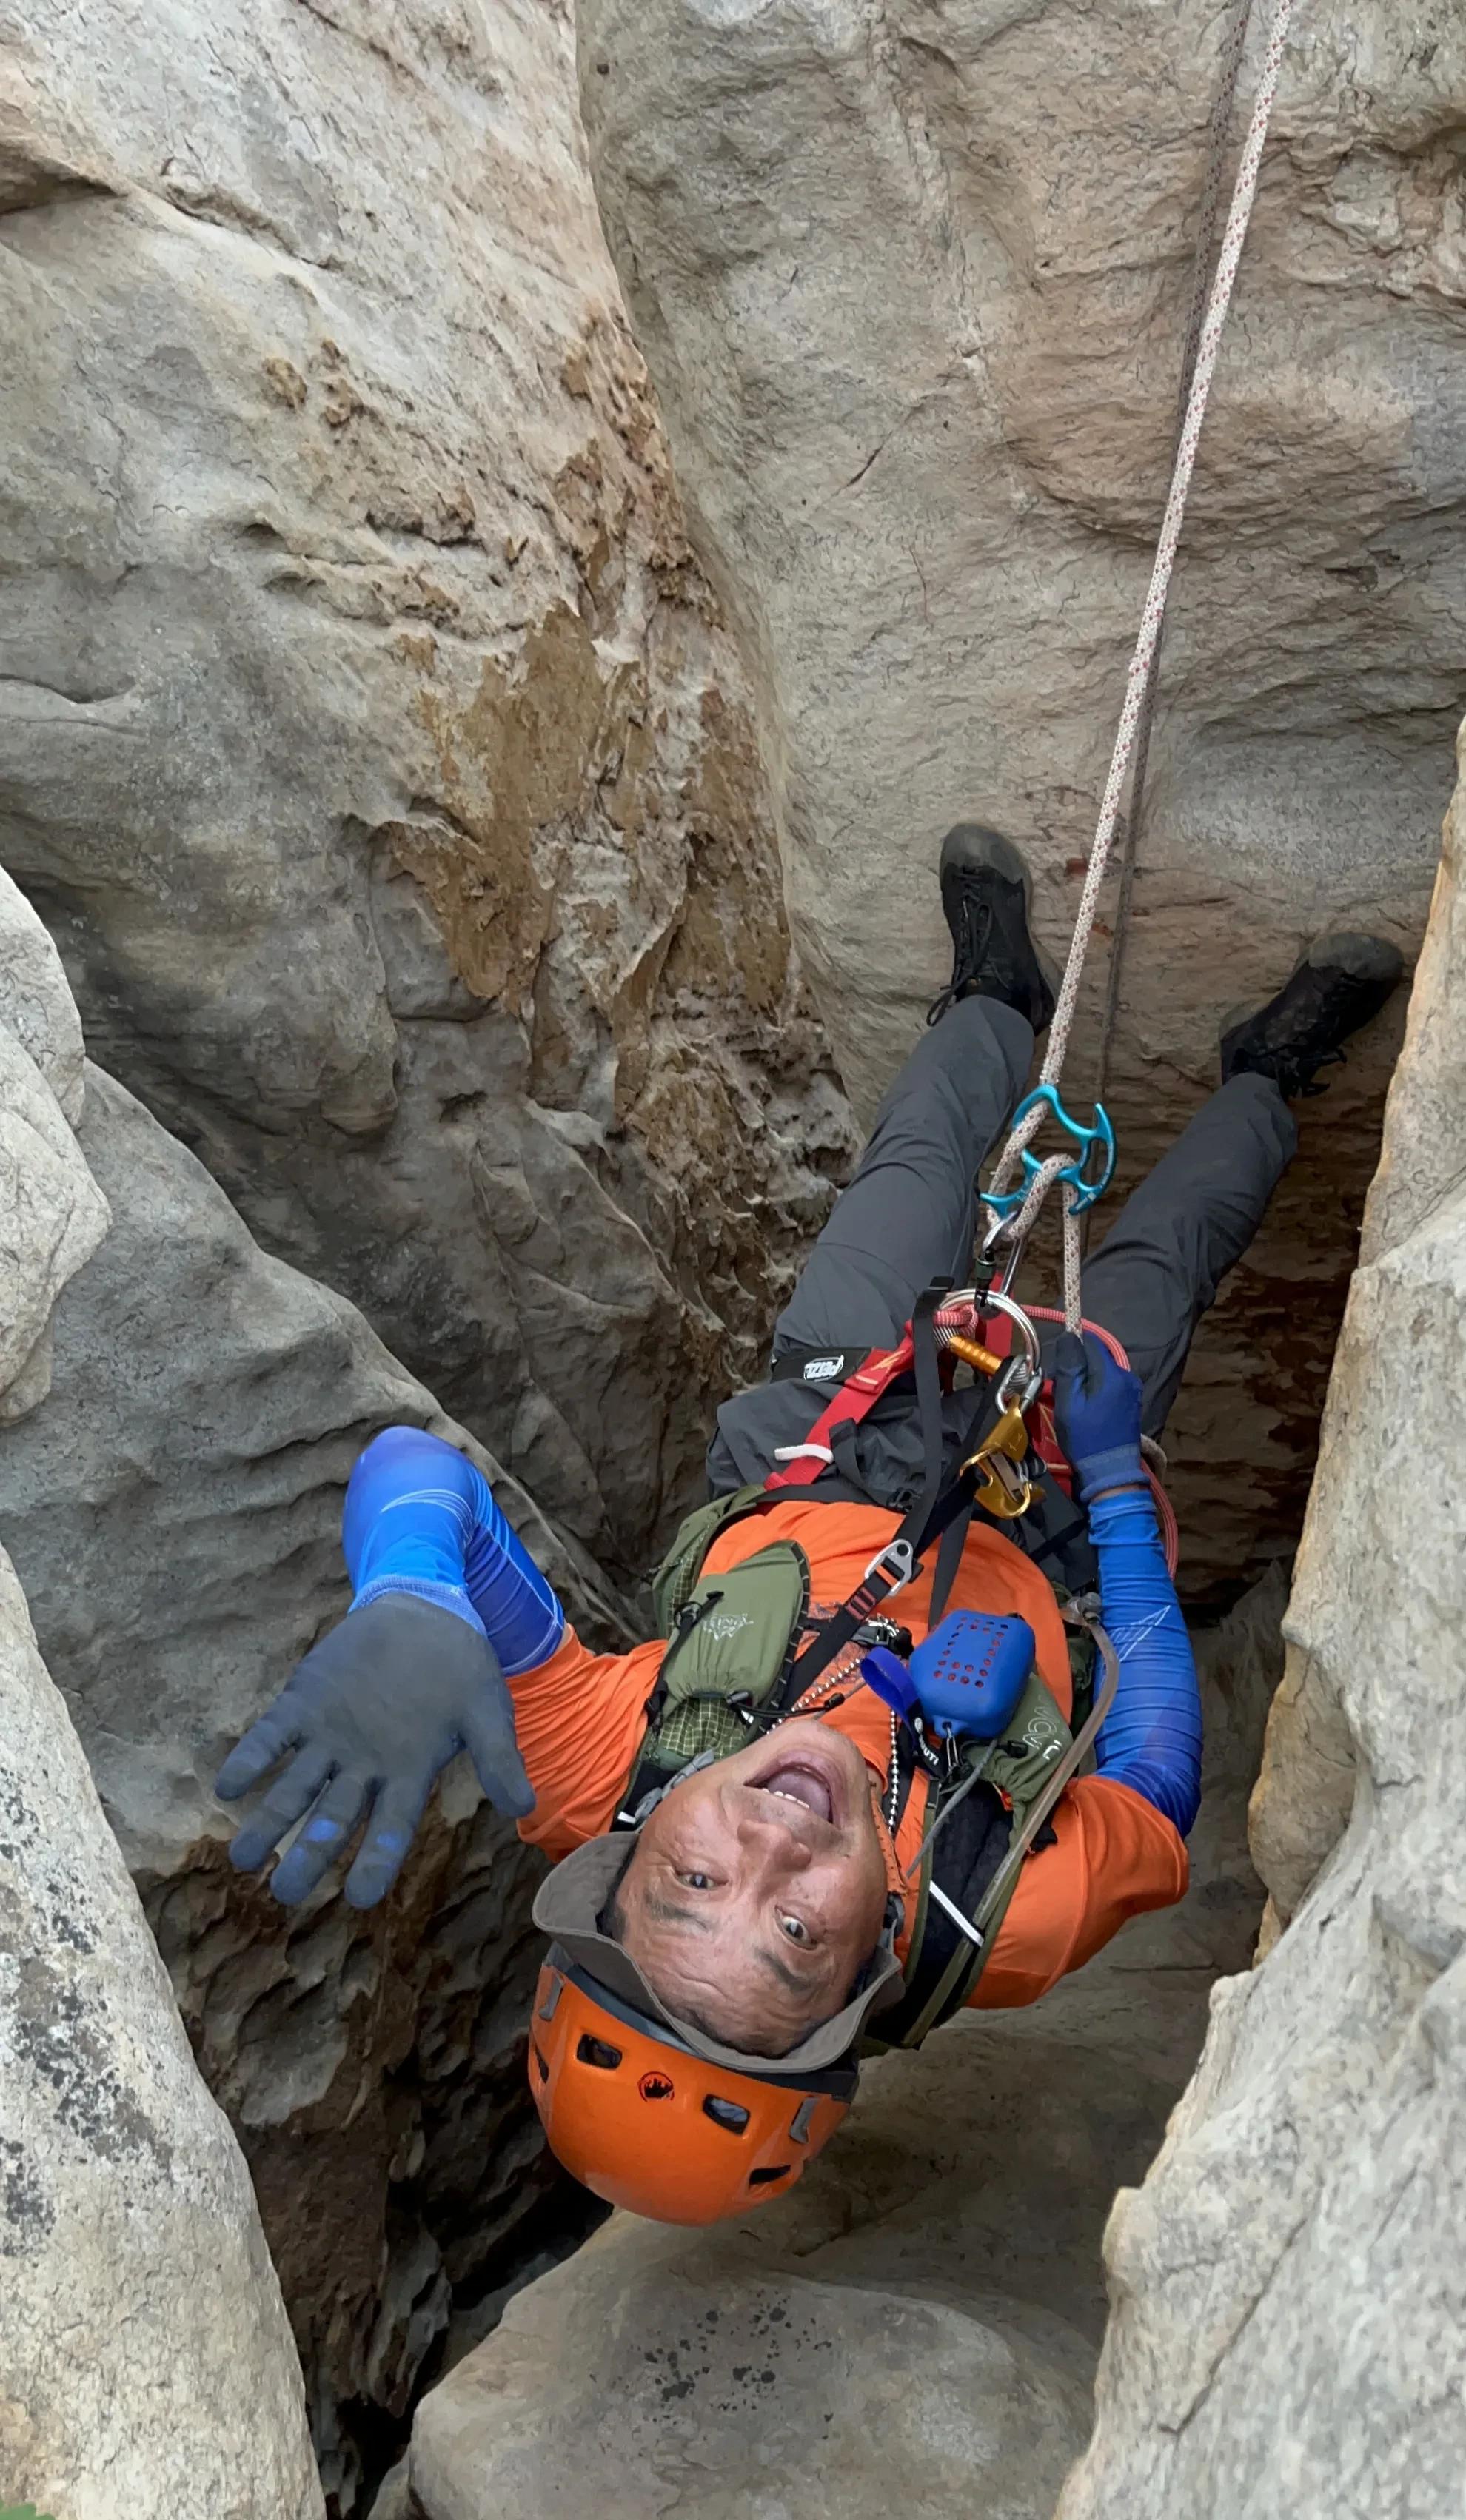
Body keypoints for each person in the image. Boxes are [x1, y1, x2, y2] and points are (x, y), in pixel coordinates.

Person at [217, 827, 1403, 2222]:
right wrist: (1122, 1489)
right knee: (1157, 1269)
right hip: (1053, 1515)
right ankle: (1270, 1074)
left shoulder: (606, 1778)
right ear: (859, 1977)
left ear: (623, 1868)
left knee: (914, 1170)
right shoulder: (994, 1916)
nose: (769, 1846)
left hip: (827, 1440)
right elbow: (1152, 1771)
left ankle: (996, 999)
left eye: (695, 1881)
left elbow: (423, 1475)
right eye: (789, 1932)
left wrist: (408, 1592)